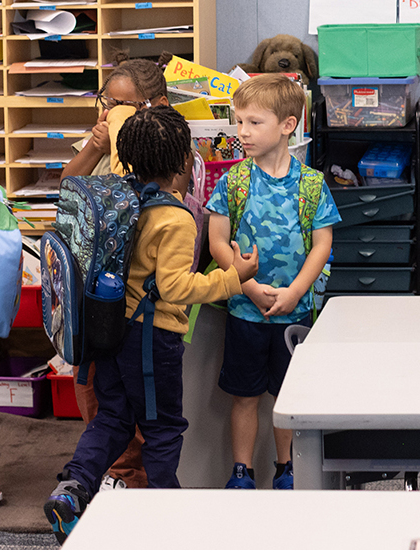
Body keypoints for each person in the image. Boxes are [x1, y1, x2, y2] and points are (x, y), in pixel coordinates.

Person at [46, 105, 258, 543]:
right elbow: (176, 286)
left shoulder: (118, 197)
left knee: (113, 419)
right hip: (152, 340)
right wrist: (234, 278)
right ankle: (166, 509)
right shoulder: (176, 218)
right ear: (185, 163)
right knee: (162, 427)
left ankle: (73, 488)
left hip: (109, 332)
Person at [205, 74, 339, 491]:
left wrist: (296, 291)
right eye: (238, 121)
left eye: (253, 122)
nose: (242, 132)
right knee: (244, 397)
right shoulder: (233, 181)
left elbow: (322, 245)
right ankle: (241, 471)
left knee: (288, 398)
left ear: (288, 124)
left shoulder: (312, 184)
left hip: (294, 314)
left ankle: (287, 469)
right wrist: (246, 286)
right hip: (245, 311)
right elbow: (216, 241)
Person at [57, 57, 175, 490]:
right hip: (96, 295)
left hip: (141, 302)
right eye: (106, 102)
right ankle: (106, 473)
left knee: (142, 398)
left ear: (155, 106)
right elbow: (67, 188)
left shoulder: (165, 149)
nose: (110, 114)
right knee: (93, 387)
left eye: (125, 107)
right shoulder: (97, 141)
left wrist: (129, 147)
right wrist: (94, 146)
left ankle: (132, 479)